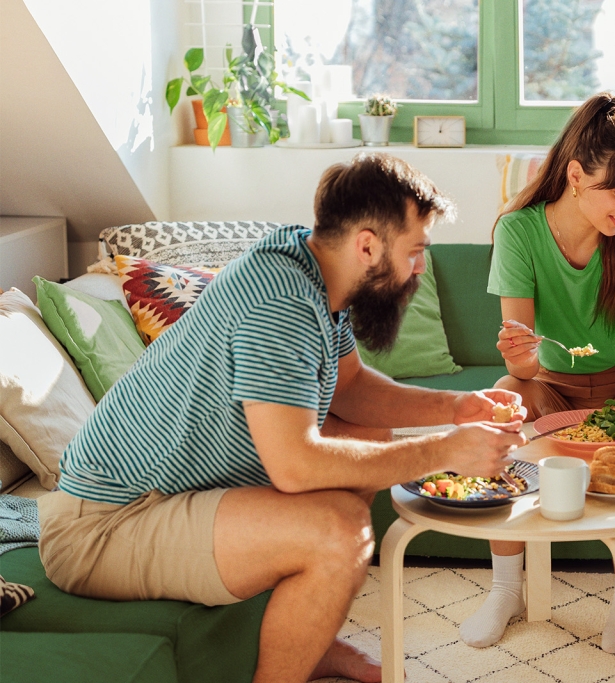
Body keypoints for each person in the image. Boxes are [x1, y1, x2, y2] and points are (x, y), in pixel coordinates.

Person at [37, 153, 528, 683]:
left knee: (364, 435)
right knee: (339, 532)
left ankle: (311, 644)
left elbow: (353, 390)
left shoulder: (313, 269)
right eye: (415, 251)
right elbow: (295, 466)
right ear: (367, 245)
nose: (419, 269)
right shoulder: (280, 301)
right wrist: (444, 450)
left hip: (163, 498)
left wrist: (454, 407)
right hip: (106, 526)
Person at [459, 92, 615, 653]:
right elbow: (524, 362)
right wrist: (518, 359)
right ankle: (506, 587)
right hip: (550, 384)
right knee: (504, 396)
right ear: (577, 175)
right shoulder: (518, 231)